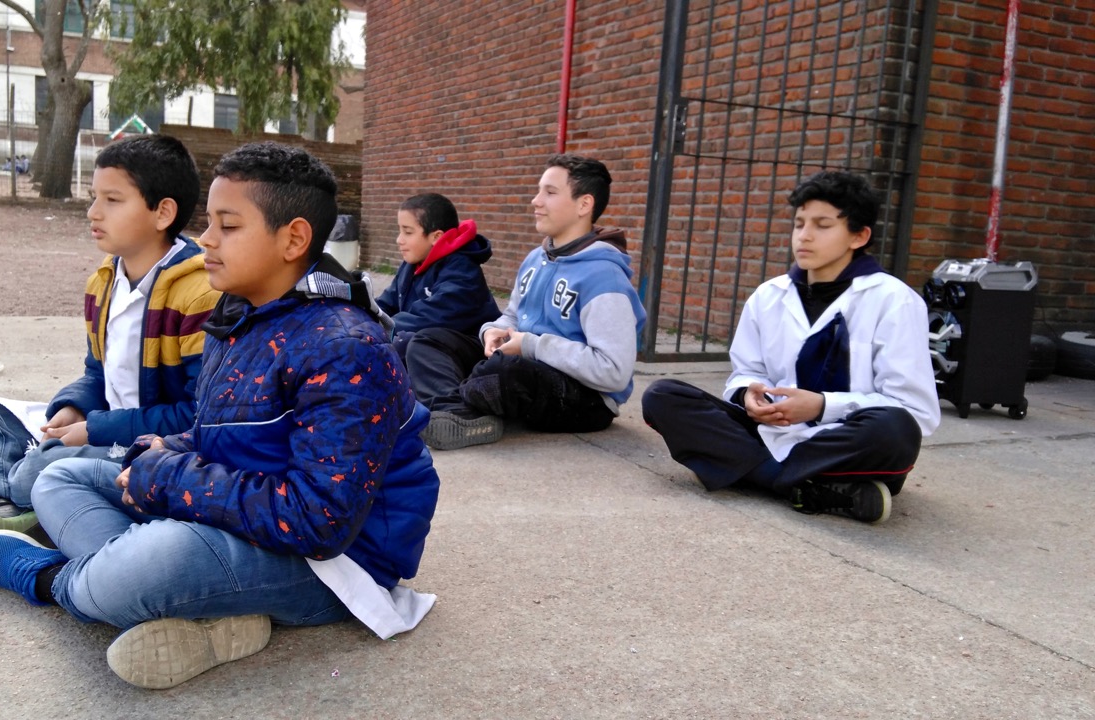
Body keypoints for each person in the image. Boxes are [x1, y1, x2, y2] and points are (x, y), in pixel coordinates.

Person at [0, 141, 442, 690]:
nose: (205, 239)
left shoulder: (346, 349)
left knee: (158, 558)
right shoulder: (239, 316)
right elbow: (224, 430)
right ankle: (202, 610)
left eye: (228, 226)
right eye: (209, 222)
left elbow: (319, 521)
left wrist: (168, 478)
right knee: (61, 475)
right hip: (235, 517)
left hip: (330, 565)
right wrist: (170, 449)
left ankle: (51, 577)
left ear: (294, 239)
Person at [0, 134, 218, 571]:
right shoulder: (104, 281)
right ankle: (0, 510)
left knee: (37, 466)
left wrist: (95, 429)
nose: (93, 212)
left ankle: (4, 493)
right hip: (101, 427)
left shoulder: (198, 293)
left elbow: (195, 416)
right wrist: (74, 408)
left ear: (162, 212)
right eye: (95, 197)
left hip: (147, 446)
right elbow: (98, 374)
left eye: (113, 200)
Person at [641, 171, 940, 524]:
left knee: (895, 429)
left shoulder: (895, 301)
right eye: (799, 224)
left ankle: (754, 471)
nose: (805, 236)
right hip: (773, 431)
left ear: (859, 236)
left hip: (845, 443)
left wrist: (822, 406)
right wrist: (747, 396)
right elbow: (746, 371)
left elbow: (915, 410)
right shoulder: (769, 295)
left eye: (822, 225)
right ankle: (804, 487)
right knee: (662, 397)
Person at [408, 154, 646, 450]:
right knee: (426, 341)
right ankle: (459, 413)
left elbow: (614, 372)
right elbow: (511, 318)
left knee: (504, 372)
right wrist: (492, 332)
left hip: (584, 398)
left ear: (584, 204)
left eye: (550, 192)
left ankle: (452, 404)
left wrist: (532, 345)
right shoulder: (536, 259)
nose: (536, 201)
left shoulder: (605, 277)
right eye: (538, 190)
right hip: (524, 366)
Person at [375, 192, 501, 361]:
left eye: (408, 232)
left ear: (436, 237)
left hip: (472, 351)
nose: (399, 239)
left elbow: (432, 317)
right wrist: (362, 316)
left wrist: (380, 327)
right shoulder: (412, 264)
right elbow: (386, 304)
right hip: (429, 343)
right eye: (400, 231)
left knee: (404, 344)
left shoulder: (462, 270)